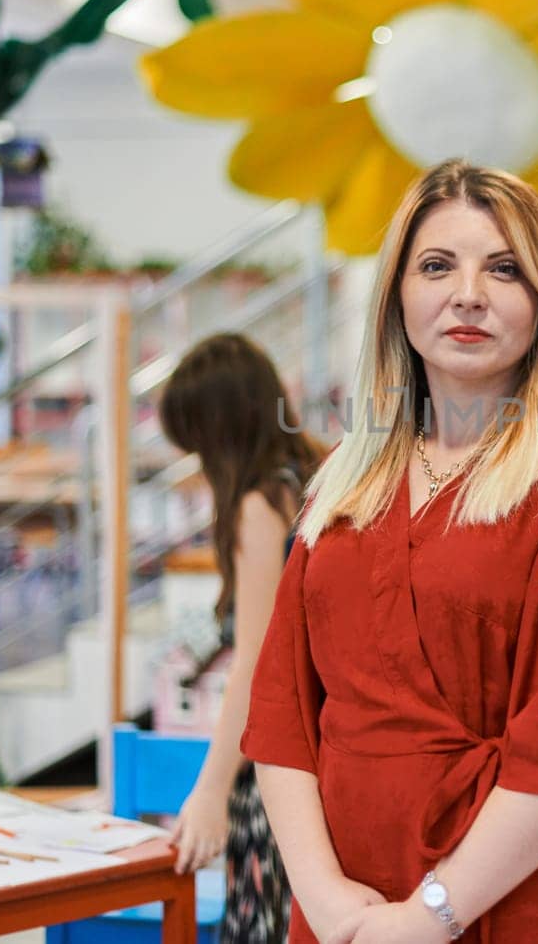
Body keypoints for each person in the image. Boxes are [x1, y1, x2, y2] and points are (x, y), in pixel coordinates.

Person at [240, 159, 538, 943]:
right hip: (344, 905)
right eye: (436, 266)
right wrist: (325, 899)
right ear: (397, 297)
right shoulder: (344, 482)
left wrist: (430, 915)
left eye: (504, 269)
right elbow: (284, 712)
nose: (468, 294)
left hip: (510, 898)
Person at [159, 332, 324, 944]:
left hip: (278, 772)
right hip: (322, 757)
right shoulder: (308, 477)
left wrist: (210, 792)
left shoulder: (258, 506)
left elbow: (257, 663)